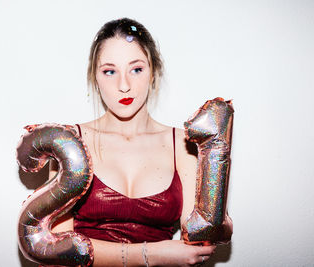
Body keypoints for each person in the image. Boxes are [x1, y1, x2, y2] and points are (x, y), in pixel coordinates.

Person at [48, 17, 216, 267]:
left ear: (153, 72)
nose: (124, 85)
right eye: (110, 71)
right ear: (95, 77)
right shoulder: (69, 143)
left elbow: (199, 242)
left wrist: (217, 223)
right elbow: (57, 246)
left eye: (136, 69)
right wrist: (152, 254)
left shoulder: (184, 144)